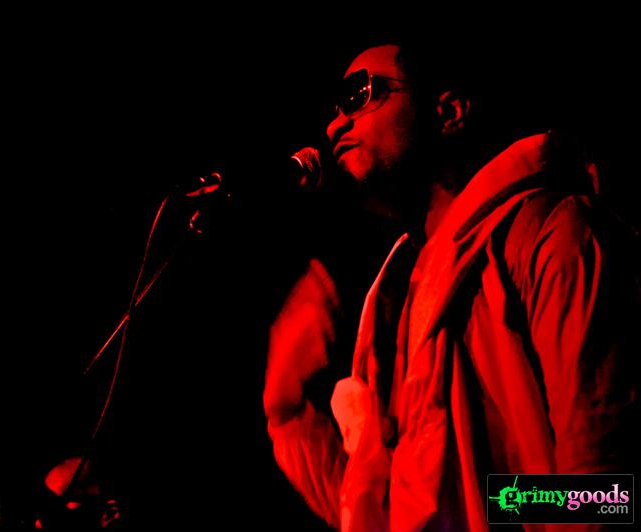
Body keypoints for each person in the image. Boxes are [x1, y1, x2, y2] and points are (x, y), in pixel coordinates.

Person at [263, 33, 640, 531]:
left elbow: (604, 491)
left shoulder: (550, 233)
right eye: (334, 108)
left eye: (360, 94)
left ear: (448, 113)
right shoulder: (390, 306)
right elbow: (394, 516)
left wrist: (494, 504)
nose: (336, 124)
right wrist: (292, 418)